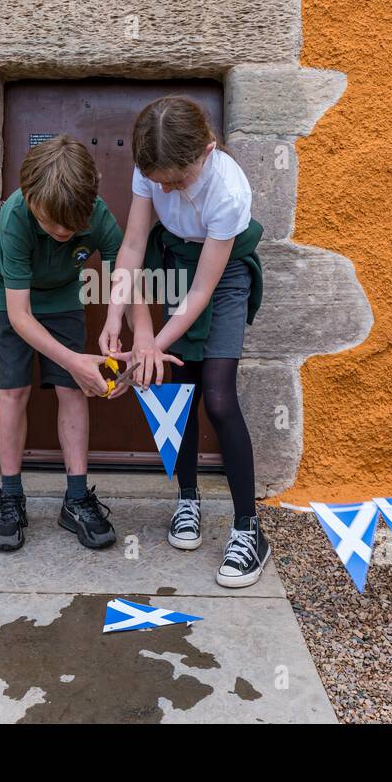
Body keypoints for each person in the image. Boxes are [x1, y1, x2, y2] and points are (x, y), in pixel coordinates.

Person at [100, 96, 268, 587]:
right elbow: (132, 245)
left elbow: (201, 293)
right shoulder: (150, 168)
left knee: (217, 395)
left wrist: (151, 345)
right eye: (159, 181)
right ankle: (187, 499)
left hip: (222, 275)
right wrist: (115, 315)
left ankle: (247, 529)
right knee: (181, 387)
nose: (167, 187)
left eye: (179, 179)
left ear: (208, 152)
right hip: (174, 260)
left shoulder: (228, 192)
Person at [0, 135, 124, 552]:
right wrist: (74, 359)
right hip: (11, 297)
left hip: (63, 293)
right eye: (50, 223)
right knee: (14, 389)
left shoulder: (100, 217)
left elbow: (124, 275)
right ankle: (10, 496)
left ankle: (76, 498)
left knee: (71, 388)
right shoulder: (14, 217)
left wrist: (118, 329)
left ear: (89, 207)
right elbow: (20, 316)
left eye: (71, 226)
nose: (62, 232)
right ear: (28, 199)